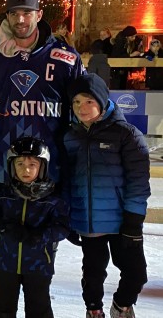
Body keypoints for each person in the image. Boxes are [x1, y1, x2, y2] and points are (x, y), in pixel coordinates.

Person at [0, 0, 84, 197]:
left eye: (27, 13)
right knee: (4, 227)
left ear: (39, 15)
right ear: (7, 17)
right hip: (2, 165)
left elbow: (79, 114)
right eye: (14, 13)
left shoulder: (66, 59)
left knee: (51, 228)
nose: (20, 19)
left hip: (52, 165)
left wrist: (78, 161)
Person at [63, 74, 150, 318]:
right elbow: (67, 181)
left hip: (123, 221)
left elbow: (138, 181)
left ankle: (121, 306)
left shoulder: (127, 134)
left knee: (135, 274)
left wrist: (134, 221)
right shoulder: (71, 137)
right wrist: (67, 216)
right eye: (77, 102)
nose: (82, 108)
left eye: (89, 101)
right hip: (89, 222)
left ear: (101, 101)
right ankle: (94, 311)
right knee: (92, 274)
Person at [0, 136, 69, 318]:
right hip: (5, 262)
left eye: (32, 164)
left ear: (42, 166)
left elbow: (62, 227)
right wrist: (4, 227)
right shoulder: (2, 195)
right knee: (1, 307)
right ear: (11, 166)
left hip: (38, 264)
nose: (26, 170)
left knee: (39, 308)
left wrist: (40, 235)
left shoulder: (52, 199)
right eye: (20, 164)